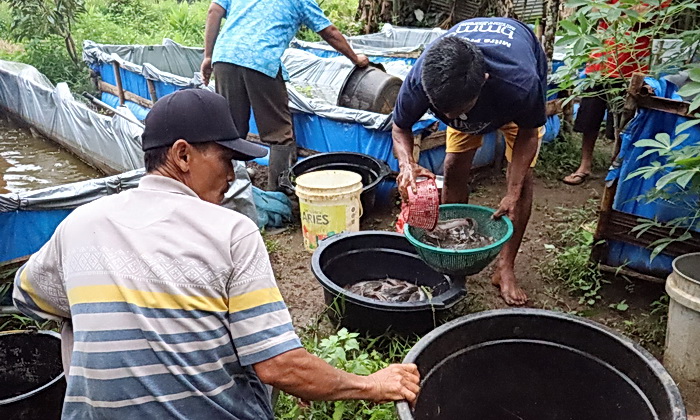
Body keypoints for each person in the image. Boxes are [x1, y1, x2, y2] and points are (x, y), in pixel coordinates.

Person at [13, 89, 420, 419]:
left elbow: (28, 296)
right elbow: (279, 367)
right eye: (226, 160)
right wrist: (373, 384)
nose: (232, 176)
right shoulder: (231, 232)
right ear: (183, 155)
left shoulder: (81, 222)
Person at [392, 18, 548, 305]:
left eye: (460, 110)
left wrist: (511, 192)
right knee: (452, 170)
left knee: (522, 184)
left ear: (483, 81)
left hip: (511, 110)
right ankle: (454, 254)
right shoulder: (423, 79)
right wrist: (406, 165)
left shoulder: (520, 82)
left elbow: (529, 133)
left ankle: (506, 269)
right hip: (469, 93)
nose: (453, 118)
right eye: (443, 112)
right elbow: (400, 127)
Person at [201, 0, 369, 191]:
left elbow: (214, 10)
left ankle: (228, 185)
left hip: (225, 58)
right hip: (261, 60)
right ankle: (277, 194)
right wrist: (356, 59)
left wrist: (208, 56)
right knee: (279, 133)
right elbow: (329, 32)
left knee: (232, 128)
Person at [563, 0, 667, 185]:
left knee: (624, 123)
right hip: (598, 63)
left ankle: (617, 168)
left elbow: (646, 15)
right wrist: (626, 13)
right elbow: (596, 10)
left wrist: (616, 12)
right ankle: (584, 166)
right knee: (589, 118)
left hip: (632, 67)